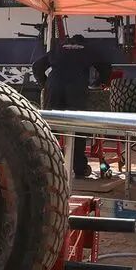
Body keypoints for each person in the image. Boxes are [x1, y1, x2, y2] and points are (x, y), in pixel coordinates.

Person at [32, 34, 111, 178]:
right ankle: (79, 168)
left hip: (54, 88)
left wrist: (45, 85)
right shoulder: (87, 49)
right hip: (75, 89)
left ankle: (47, 165)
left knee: (50, 128)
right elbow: (106, 68)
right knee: (77, 129)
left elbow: (37, 66)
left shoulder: (59, 48)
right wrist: (99, 83)